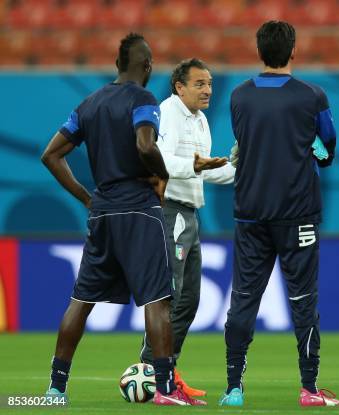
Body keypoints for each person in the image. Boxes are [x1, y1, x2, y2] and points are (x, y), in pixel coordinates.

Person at [40, 33, 203, 406]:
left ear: (117, 65)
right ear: (147, 67)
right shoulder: (144, 99)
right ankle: (164, 390)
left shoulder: (89, 104)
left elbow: (51, 156)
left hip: (103, 214)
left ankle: (55, 389)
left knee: (80, 301)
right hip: (139, 212)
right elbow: (145, 145)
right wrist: (161, 177)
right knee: (158, 301)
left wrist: (87, 198)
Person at [220, 20, 339, 407]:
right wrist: (311, 150)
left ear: (259, 52)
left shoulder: (239, 96)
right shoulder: (312, 96)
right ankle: (309, 389)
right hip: (297, 214)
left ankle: (234, 388)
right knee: (303, 300)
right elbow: (327, 149)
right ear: (294, 51)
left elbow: (244, 141)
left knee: (243, 300)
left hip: (251, 213)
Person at [138, 58, 232, 399]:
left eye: (209, 83)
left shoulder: (201, 120)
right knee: (172, 296)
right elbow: (159, 158)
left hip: (190, 214)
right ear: (179, 86)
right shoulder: (169, 112)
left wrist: (240, 170)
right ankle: (152, 369)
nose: (208, 89)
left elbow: (202, 171)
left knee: (189, 298)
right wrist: (195, 165)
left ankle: (168, 368)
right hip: (170, 212)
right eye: (199, 84)